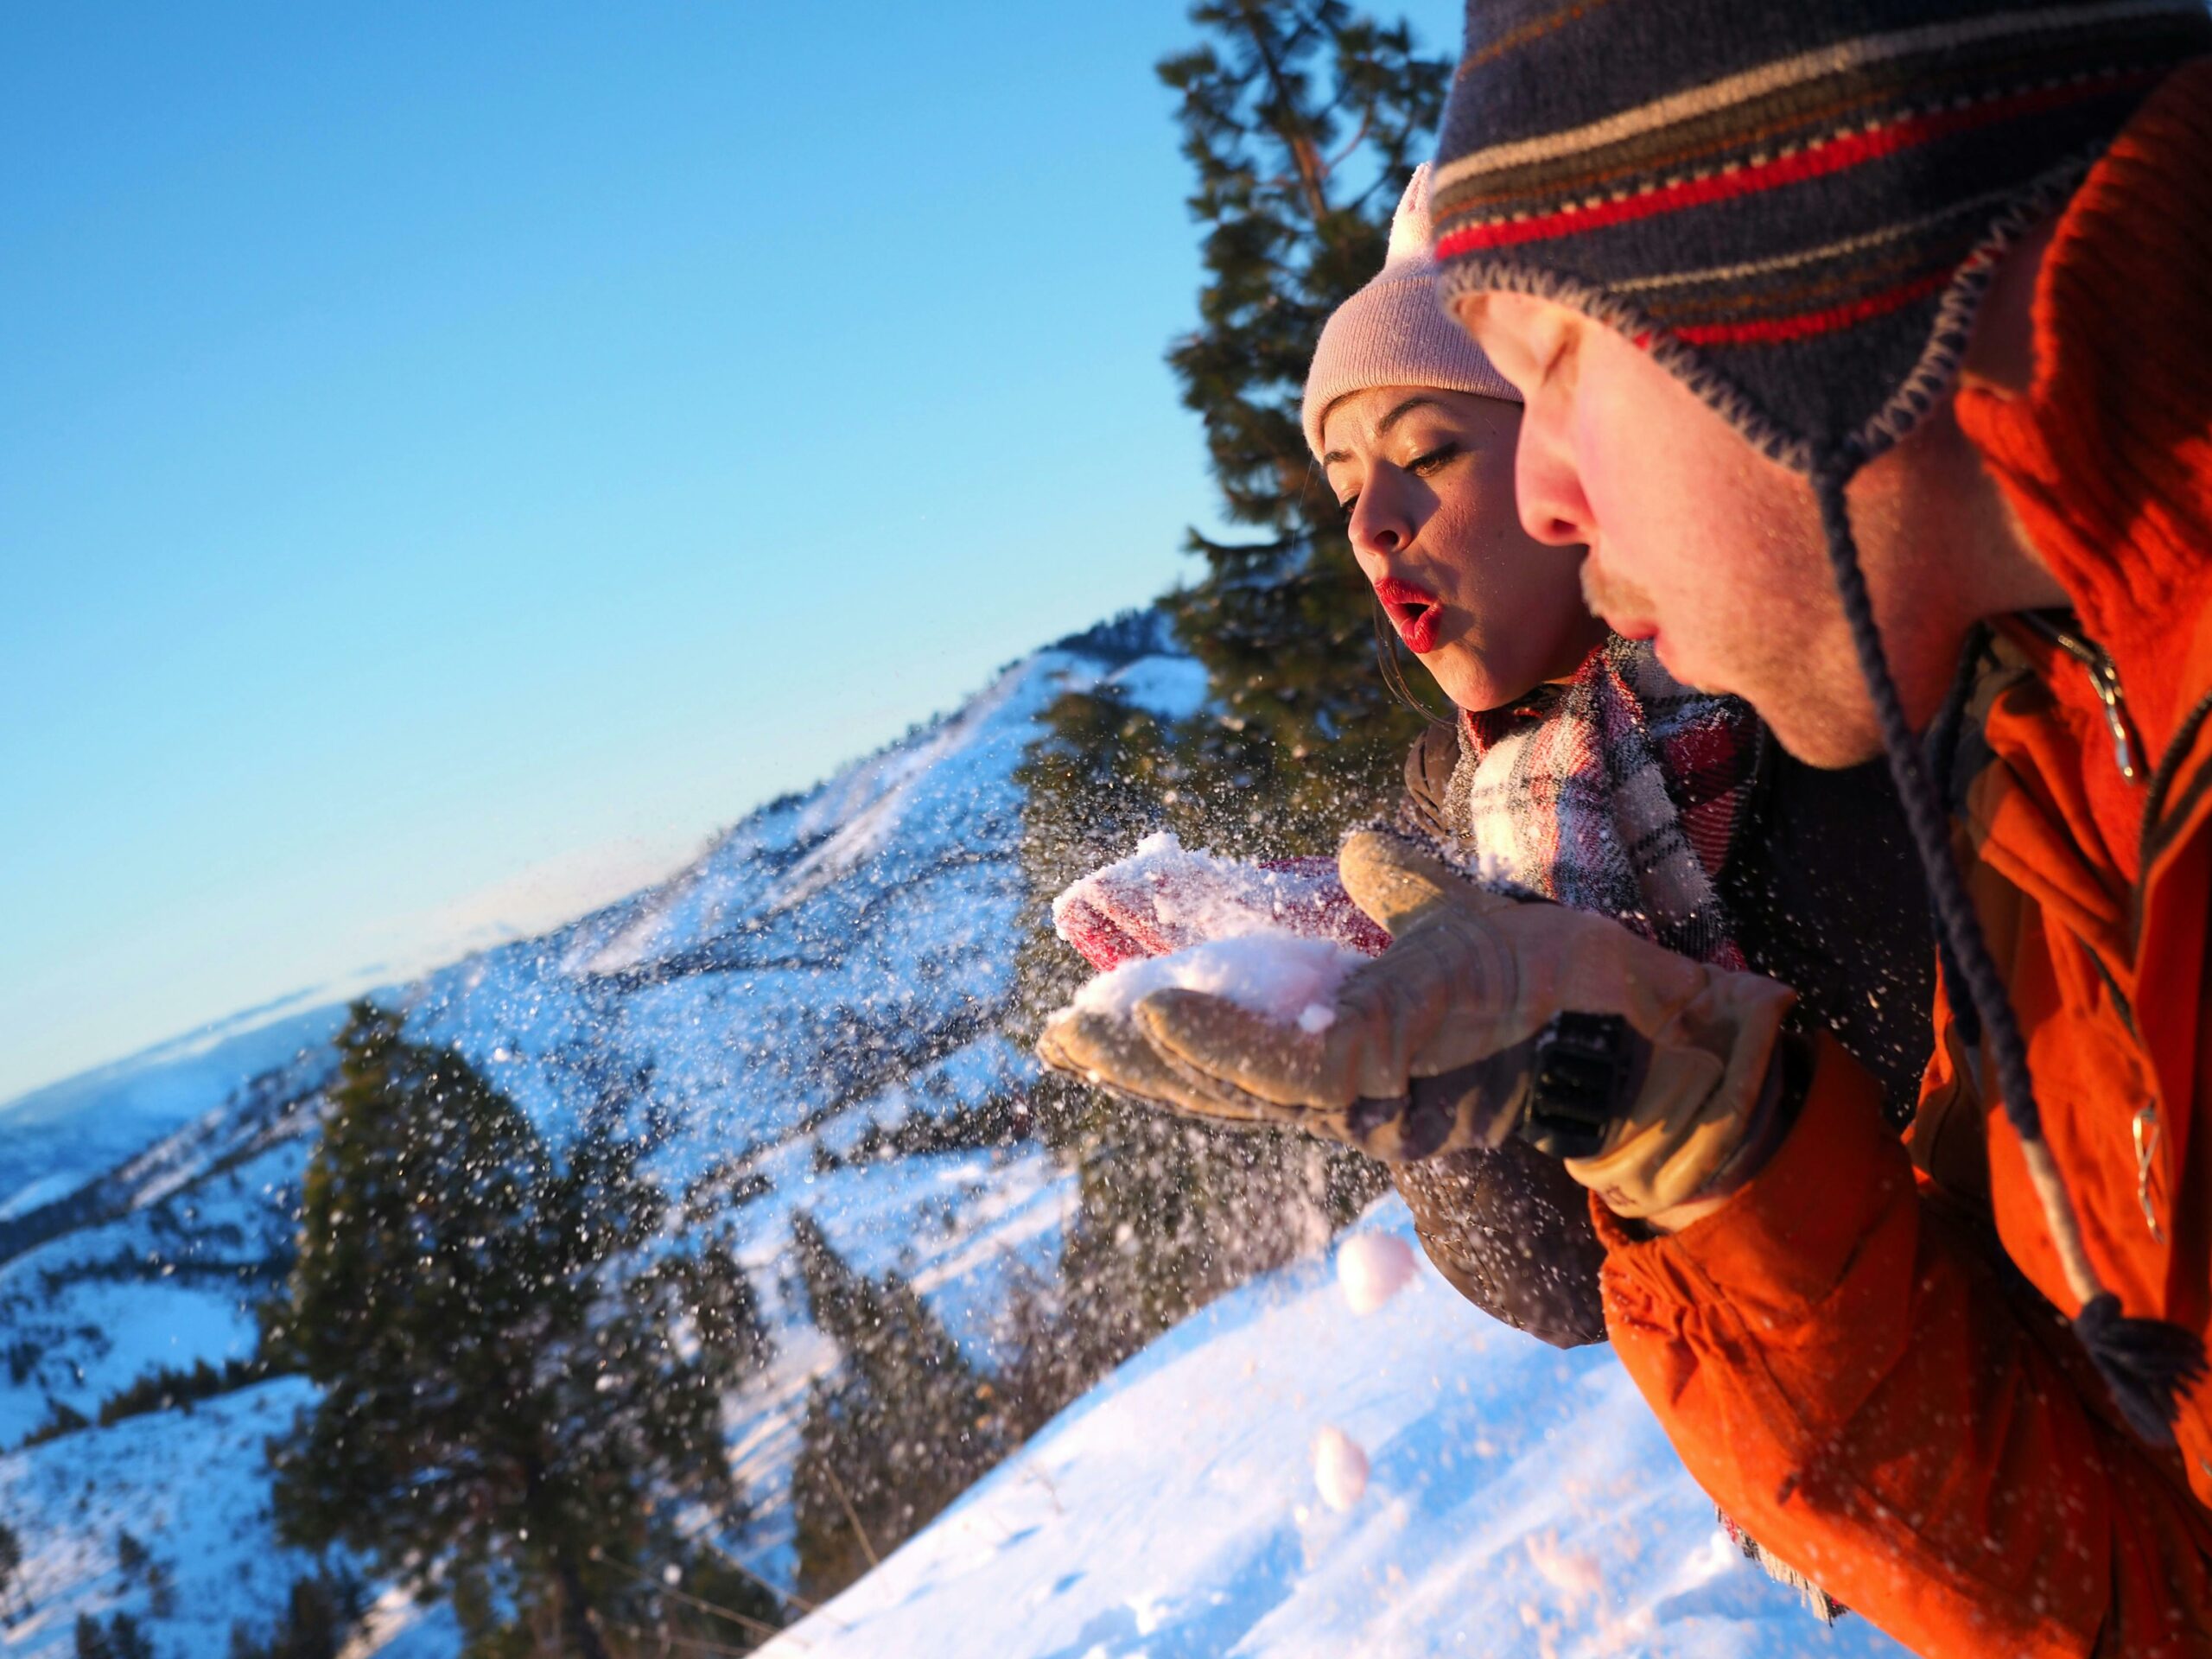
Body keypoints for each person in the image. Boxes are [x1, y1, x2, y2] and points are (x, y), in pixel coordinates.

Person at [1046, 5, 2212, 1655]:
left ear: (1802, 261)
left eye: (1549, 371)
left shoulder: (1927, 737)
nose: (1541, 496)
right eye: (1340, 483)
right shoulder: (2067, 757)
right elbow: (2156, 1574)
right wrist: (1683, 1112)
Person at [1294, 163, 1935, 1355]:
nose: (1372, 523)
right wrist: (1419, 1067)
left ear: (1575, 454)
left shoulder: (1816, 691)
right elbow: (1557, 1285)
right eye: (1343, 494)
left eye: (1426, 452)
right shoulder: (1460, 805)